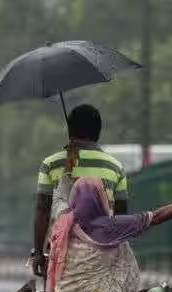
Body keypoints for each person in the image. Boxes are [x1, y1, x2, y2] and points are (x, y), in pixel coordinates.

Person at [46, 155, 172, 292]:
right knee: (122, 243)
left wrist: (68, 170)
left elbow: (59, 197)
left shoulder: (63, 221)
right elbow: (155, 217)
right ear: (100, 198)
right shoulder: (111, 227)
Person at [32, 104, 129, 279]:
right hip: (102, 254)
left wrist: (38, 252)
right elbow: (121, 217)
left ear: (70, 131)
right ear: (98, 132)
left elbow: (42, 209)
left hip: (60, 257)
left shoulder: (51, 164)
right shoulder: (116, 167)